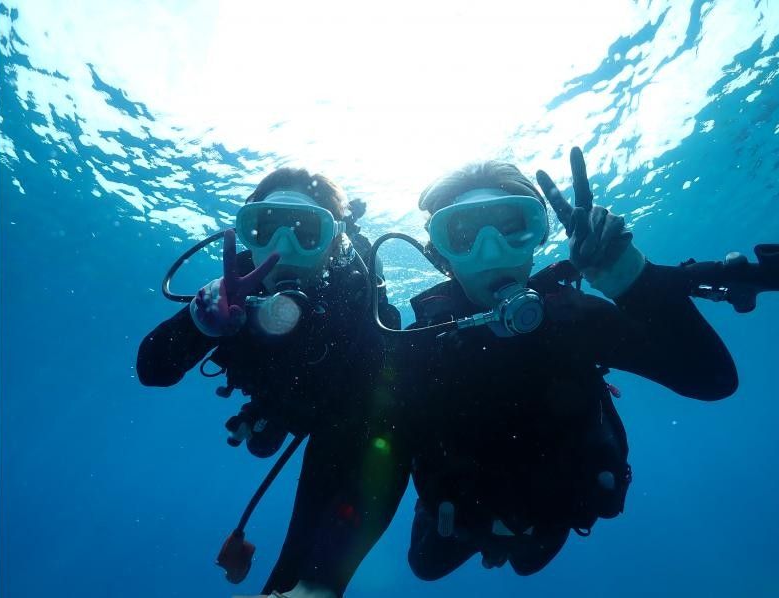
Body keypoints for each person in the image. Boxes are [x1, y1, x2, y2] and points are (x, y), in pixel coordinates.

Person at [398, 148, 739, 580]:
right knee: (425, 566)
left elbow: (711, 379)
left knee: (529, 562)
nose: (491, 252)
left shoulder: (575, 318)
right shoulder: (419, 345)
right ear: (439, 254)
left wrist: (631, 279)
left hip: (554, 512)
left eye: (512, 230)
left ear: (539, 238)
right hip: (461, 517)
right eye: (464, 235)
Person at [136, 168, 407, 598]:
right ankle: (264, 418)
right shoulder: (232, 288)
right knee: (263, 441)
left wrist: (319, 585)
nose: (284, 250)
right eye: (266, 229)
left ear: (336, 241)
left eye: (307, 232)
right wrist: (197, 323)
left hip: (338, 418)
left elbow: (389, 438)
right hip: (275, 400)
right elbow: (153, 371)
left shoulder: (360, 298)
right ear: (248, 235)